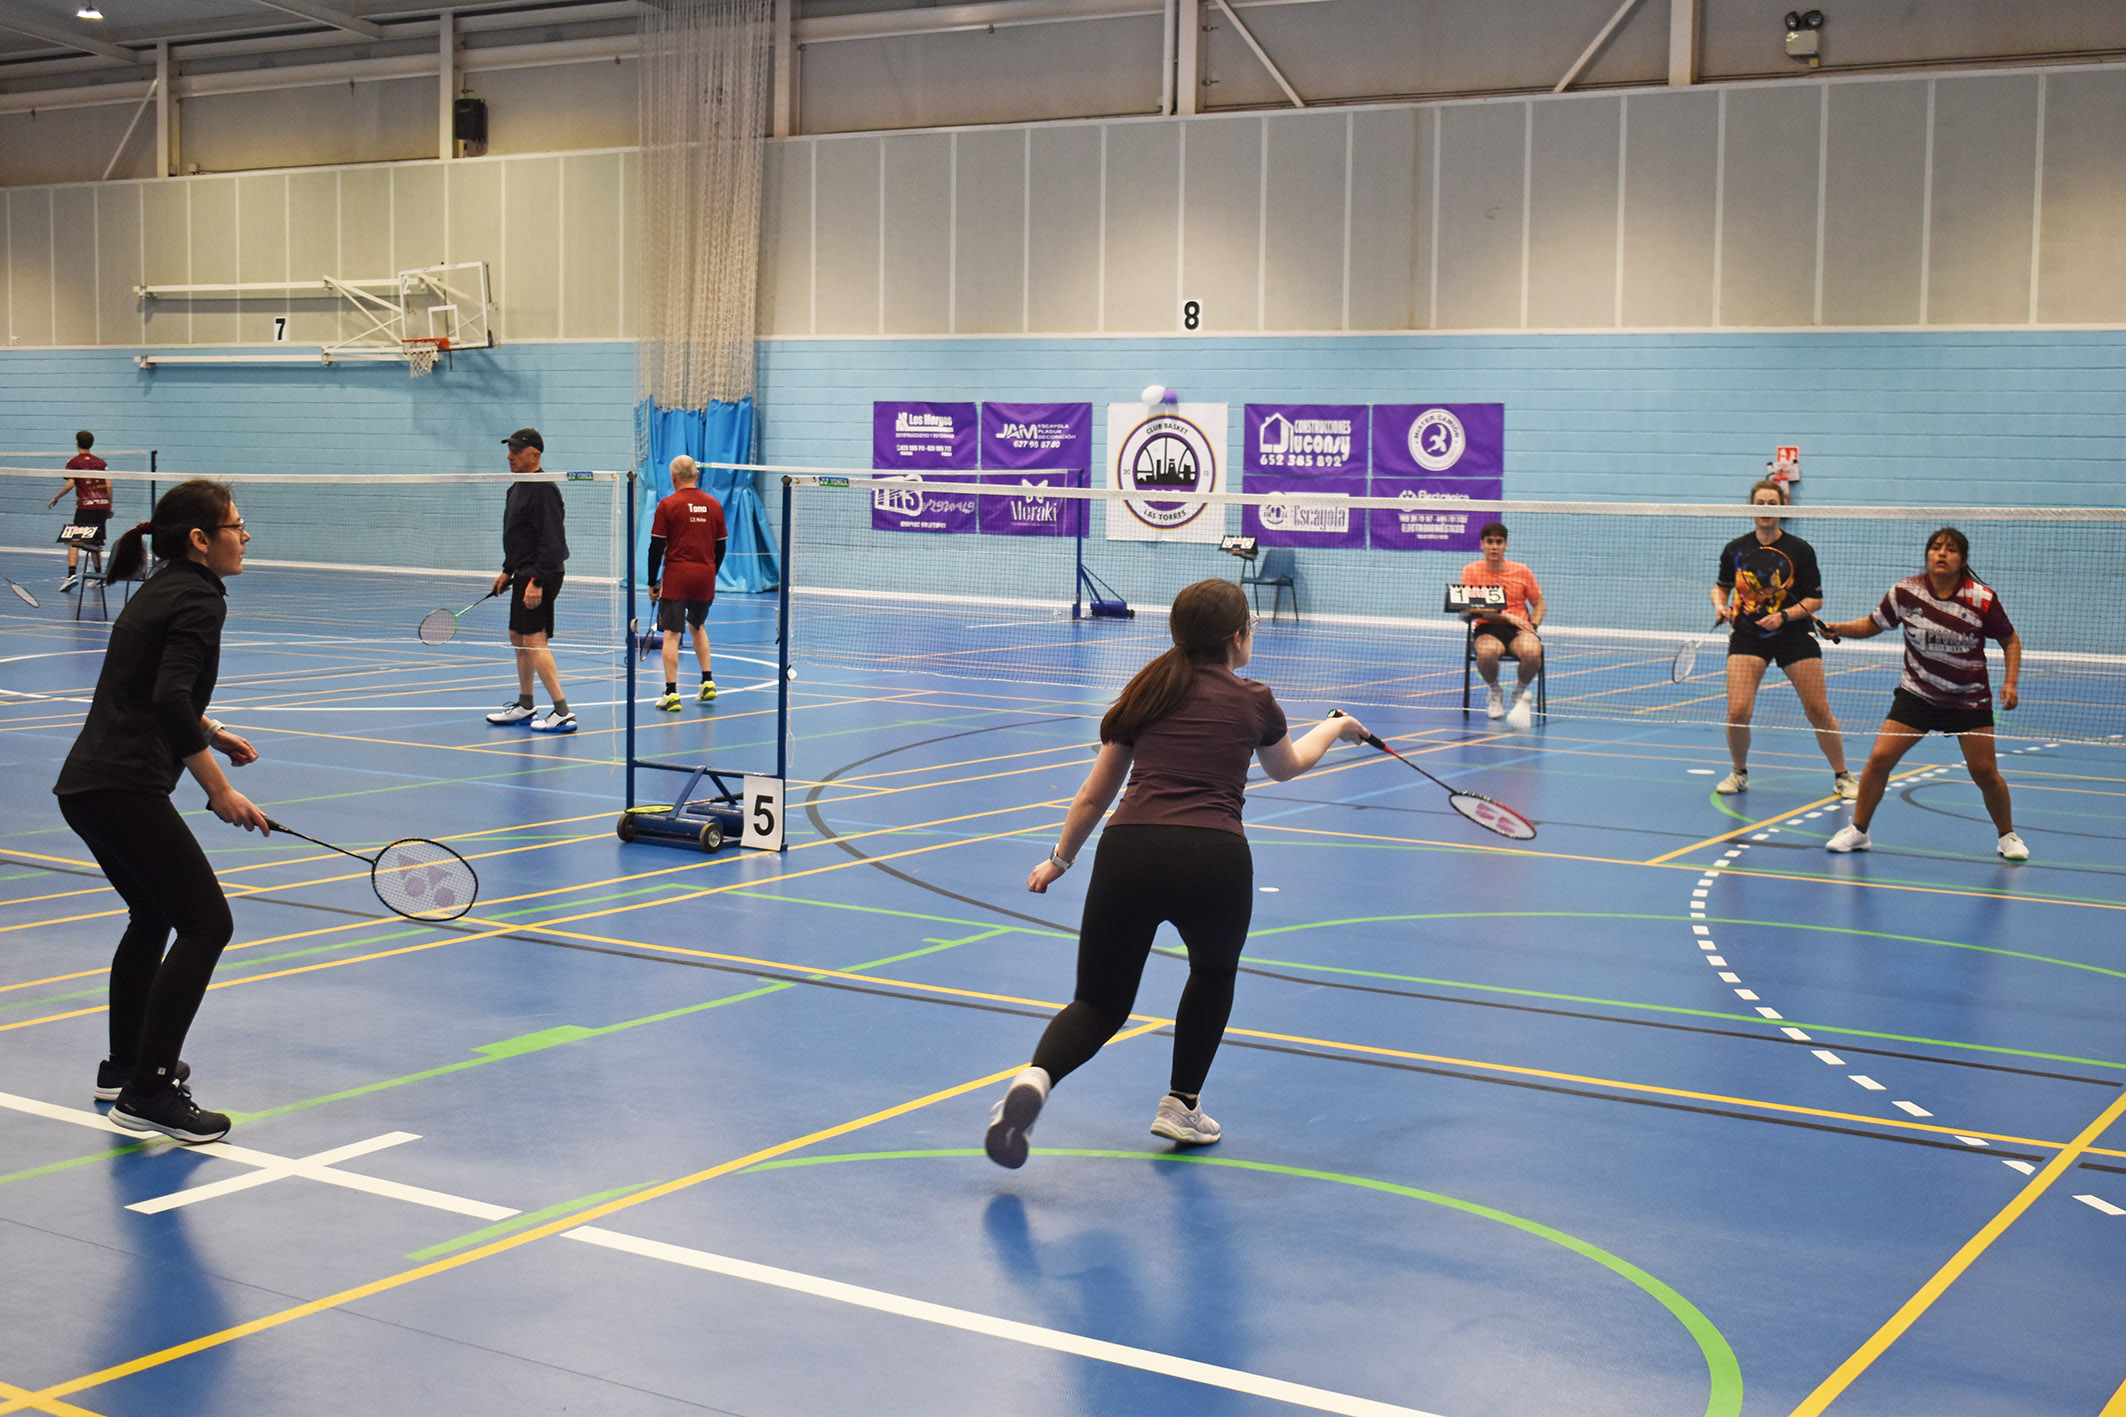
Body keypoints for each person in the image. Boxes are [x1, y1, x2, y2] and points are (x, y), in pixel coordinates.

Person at [983, 579, 1371, 1169]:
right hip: (1213, 857)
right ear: (1237, 636)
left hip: (1128, 851)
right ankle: (1181, 1104)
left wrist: (1059, 860)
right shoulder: (1255, 699)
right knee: (1212, 975)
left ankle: (1036, 1077)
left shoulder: (1145, 691)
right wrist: (1337, 728)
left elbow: (1094, 795)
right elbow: (1287, 768)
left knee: (1098, 1003)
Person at [53, 480, 268, 1144]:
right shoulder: (200, 597)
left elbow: (151, 686)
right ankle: (148, 1092)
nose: (246, 535)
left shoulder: (163, 583)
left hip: (87, 786)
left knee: (152, 914)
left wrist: (211, 729)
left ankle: (123, 1067)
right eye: (235, 524)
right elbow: (169, 701)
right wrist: (217, 788)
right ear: (201, 539)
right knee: (208, 922)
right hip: (124, 785)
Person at [1821, 527, 2026, 860]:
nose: (1941, 553)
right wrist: (1839, 628)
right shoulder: (1906, 592)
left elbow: (2010, 640)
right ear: (1928, 555)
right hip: (1918, 694)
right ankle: (1859, 831)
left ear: (1963, 559)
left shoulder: (1980, 598)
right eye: (1936, 547)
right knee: (1879, 759)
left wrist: (2011, 682)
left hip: (1968, 698)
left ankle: (2008, 836)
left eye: (1950, 549)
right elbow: (1874, 623)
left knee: (1985, 772)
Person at [1710, 480, 1857, 800]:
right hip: (1748, 635)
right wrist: (1720, 605)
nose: (1766, 510)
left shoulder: (1800, 550)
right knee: (1737, 712)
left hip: (1793, 635)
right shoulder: (1735, 549)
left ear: (1783, 507)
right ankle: (1739, 772)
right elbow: (1721, 587)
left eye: (1772, 504)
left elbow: (1815, 601)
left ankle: (1843, 775)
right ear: (1752, 508)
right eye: (1760, 504)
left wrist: (1785, 616)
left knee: (1818, 710)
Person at [485, 428, 575, 733]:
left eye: (516, 451)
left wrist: (536, 581)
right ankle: (525, 705)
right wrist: (507, 571)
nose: (510, 456)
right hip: (523, 571)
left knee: (535, 641)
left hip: (541, 573)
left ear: (534, 455)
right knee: (517, 636)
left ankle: (562, 711)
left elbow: (552, 541)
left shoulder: (543, 489)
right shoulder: (518, 486)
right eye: (509, 449)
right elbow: (519, 535)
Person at [647, 455, 728, 711]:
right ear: (697, 476)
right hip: (705, 577)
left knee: (672, 634)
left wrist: (652, 582)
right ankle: (707, 682)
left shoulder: (667, 505)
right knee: (698, 626)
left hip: (677, 577)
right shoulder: (714, 504)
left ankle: (671, 693)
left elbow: (656, 547)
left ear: (673, 478)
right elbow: (721, 547)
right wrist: (710, 572)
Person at [1459, 521, 1544, 730]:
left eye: (1499, 542)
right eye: (1490, 542)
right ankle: (1495, 691)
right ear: (1482, 545)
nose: (1494, 547)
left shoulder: (1522, 571)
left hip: (1520, 629)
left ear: (1505, 545)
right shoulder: (1471, 571)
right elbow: (1467, 609)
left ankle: (1519, 691)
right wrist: (1506, 617)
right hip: (1487, 628)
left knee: (1534, 652)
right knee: (1487, 653)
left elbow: (1539, 602)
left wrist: (1533, 624)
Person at [48, 430, 112, 592]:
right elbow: (108, 486)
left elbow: (70, 484)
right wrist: (109, 506)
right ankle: (99, 577)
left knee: (74, 541)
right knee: (95, 542)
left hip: (86, 506)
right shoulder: (101, 462)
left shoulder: (74, 462)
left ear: (77, 443)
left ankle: (71, 576)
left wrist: (56, 498)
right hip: (102, 506)